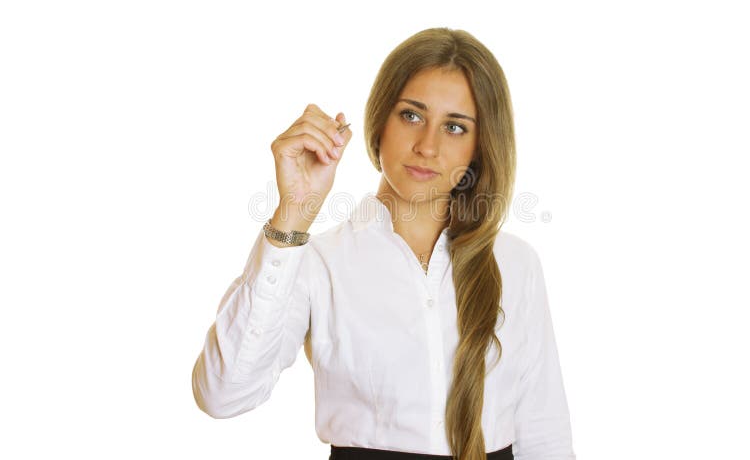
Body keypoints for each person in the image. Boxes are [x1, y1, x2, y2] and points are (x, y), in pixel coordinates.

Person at [191, 27, 576, 460]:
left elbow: (545, 435)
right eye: (411, 115)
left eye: (454, 127)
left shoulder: (516, 263)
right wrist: (293, 212)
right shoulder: (321, 262)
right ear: (379, 120)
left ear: (480, 146)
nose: (427, 146)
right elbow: (221, 394)